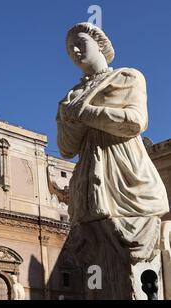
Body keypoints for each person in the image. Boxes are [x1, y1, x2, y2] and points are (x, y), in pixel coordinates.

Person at [57, 22, 169, 264]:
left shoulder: (127, 77)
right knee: (97, 261)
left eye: (80, 44)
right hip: (89, 183)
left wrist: (84, 113)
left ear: (99, 45)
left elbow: (135, 122)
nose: (75, 51)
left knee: (134, 261)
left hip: (126, 174)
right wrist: (70, 120)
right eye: (69, 49)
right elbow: (66, 149)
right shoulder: (70, 97)